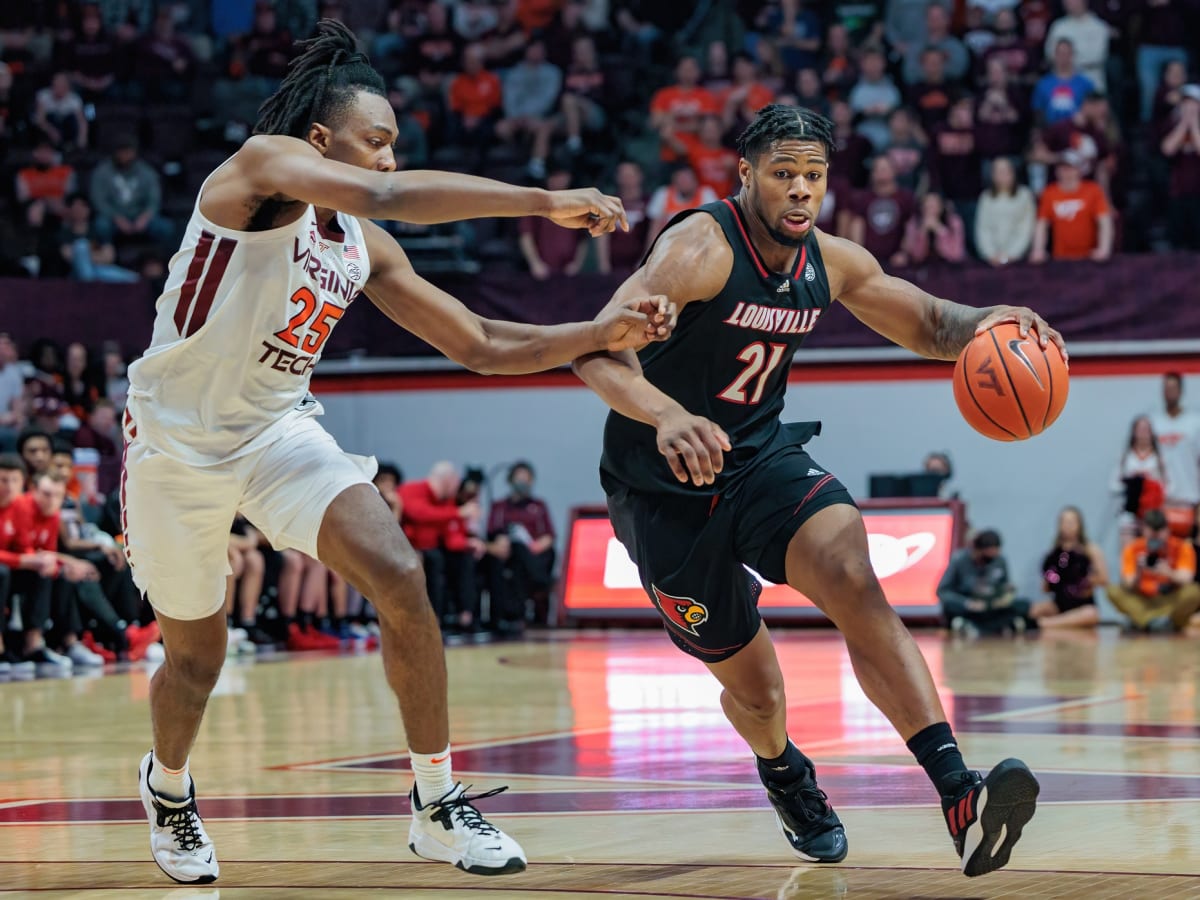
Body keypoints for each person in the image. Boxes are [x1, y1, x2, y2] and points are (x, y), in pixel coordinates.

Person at [120, 21, 674, 886]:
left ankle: (434, 802)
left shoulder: (362, 245)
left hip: (277, 432)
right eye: (375, 141)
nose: (386, 159)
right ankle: (170, 790)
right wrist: (541, 200)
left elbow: (483, 342)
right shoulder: (259, 168)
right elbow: (386, 196)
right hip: (173, 448)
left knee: (402, 577)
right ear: (320, 141)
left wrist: (596, 333)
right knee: (197, 659)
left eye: (394, 146)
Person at [572, 104, 1062, 877]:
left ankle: (959, 793)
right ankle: (784, 773)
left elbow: (934, 324)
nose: (801, 192)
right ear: (745, 175)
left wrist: (988, 322)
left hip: (760, 459)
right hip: (661, 490)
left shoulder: (829, 262)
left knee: (853, 577)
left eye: (814, 176)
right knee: (759, 693)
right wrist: (666, 415)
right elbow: (596, 350)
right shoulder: (699, 247)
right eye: (783, 175)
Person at [1107, 508, 1200, 631]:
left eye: (1160, 531)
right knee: (1113, 590)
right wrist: (1139, 571)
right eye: (1151, 532)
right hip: (1143, 599)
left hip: (1169, 599)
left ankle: (1142, 621)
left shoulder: (1182, 547)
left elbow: (1186, 578)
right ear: (1143, 530)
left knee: (1193, 592)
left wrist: (1167, 572)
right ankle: (1157, 622)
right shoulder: (1133, 549)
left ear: (1168, 530)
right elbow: (1128, 585)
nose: (1156, 538)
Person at [937, 529, 1029, 636]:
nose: (990, 560)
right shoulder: (959, 560)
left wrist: (1007, 595)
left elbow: (1005, 586)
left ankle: (978, 626)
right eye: (987, 556)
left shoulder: (1000, 560)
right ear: (978, 550)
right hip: (970, 607)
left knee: (1023, 605)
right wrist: (967, 603)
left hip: (992, 606)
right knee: (950, 606)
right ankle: (971, 624)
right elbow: (942, 591)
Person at [1031, 506, 1107, 628]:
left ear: (1079, 525)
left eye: (1071, 522)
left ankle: (1046, 623)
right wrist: (1055, 579)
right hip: (1060, 602)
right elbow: (1045, 588)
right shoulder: (1054, 553)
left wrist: (1085, 581)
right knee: (1035, 609)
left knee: (1091, 614)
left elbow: (1104, 579)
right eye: (1064, 522)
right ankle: (1057, 621)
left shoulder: (1090, 549)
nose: (1068, 526)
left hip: (1081, 603)